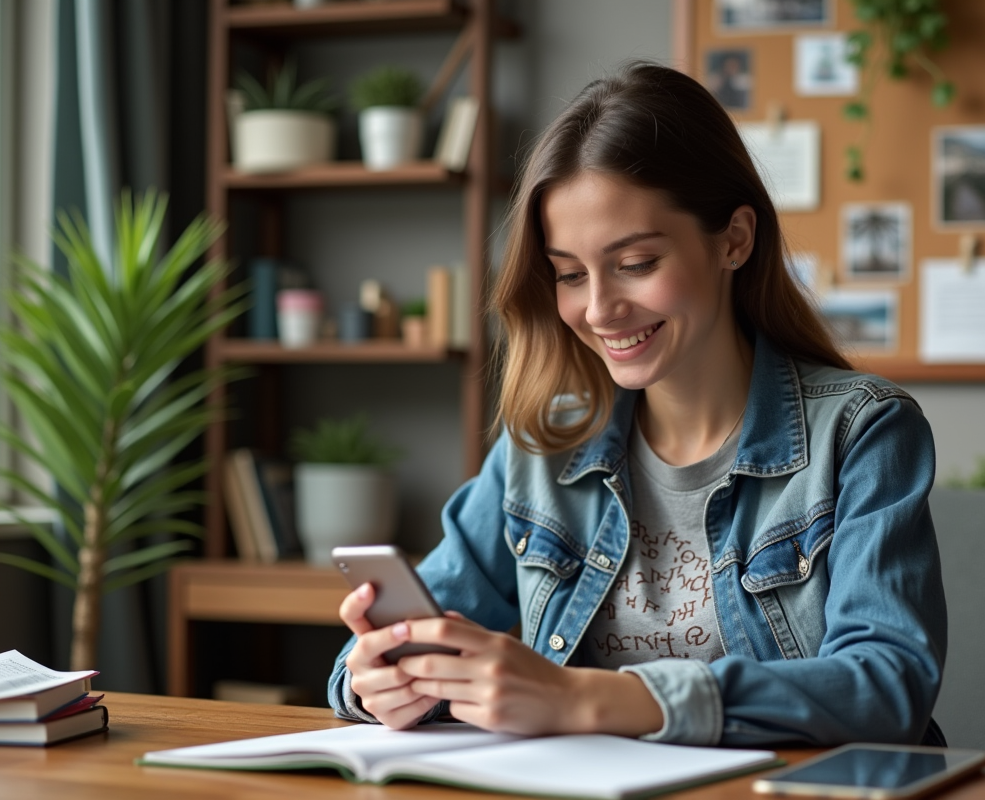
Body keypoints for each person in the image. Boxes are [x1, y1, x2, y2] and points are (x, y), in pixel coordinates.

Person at [328, 61, 947, 748]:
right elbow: (403, 640)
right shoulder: (542, 447)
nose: (598, 310)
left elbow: (888, 685)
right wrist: (373, 681)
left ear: (734, 239)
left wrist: (585, 697)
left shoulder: (862, 432)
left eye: (636, 263)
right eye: (569, 274)